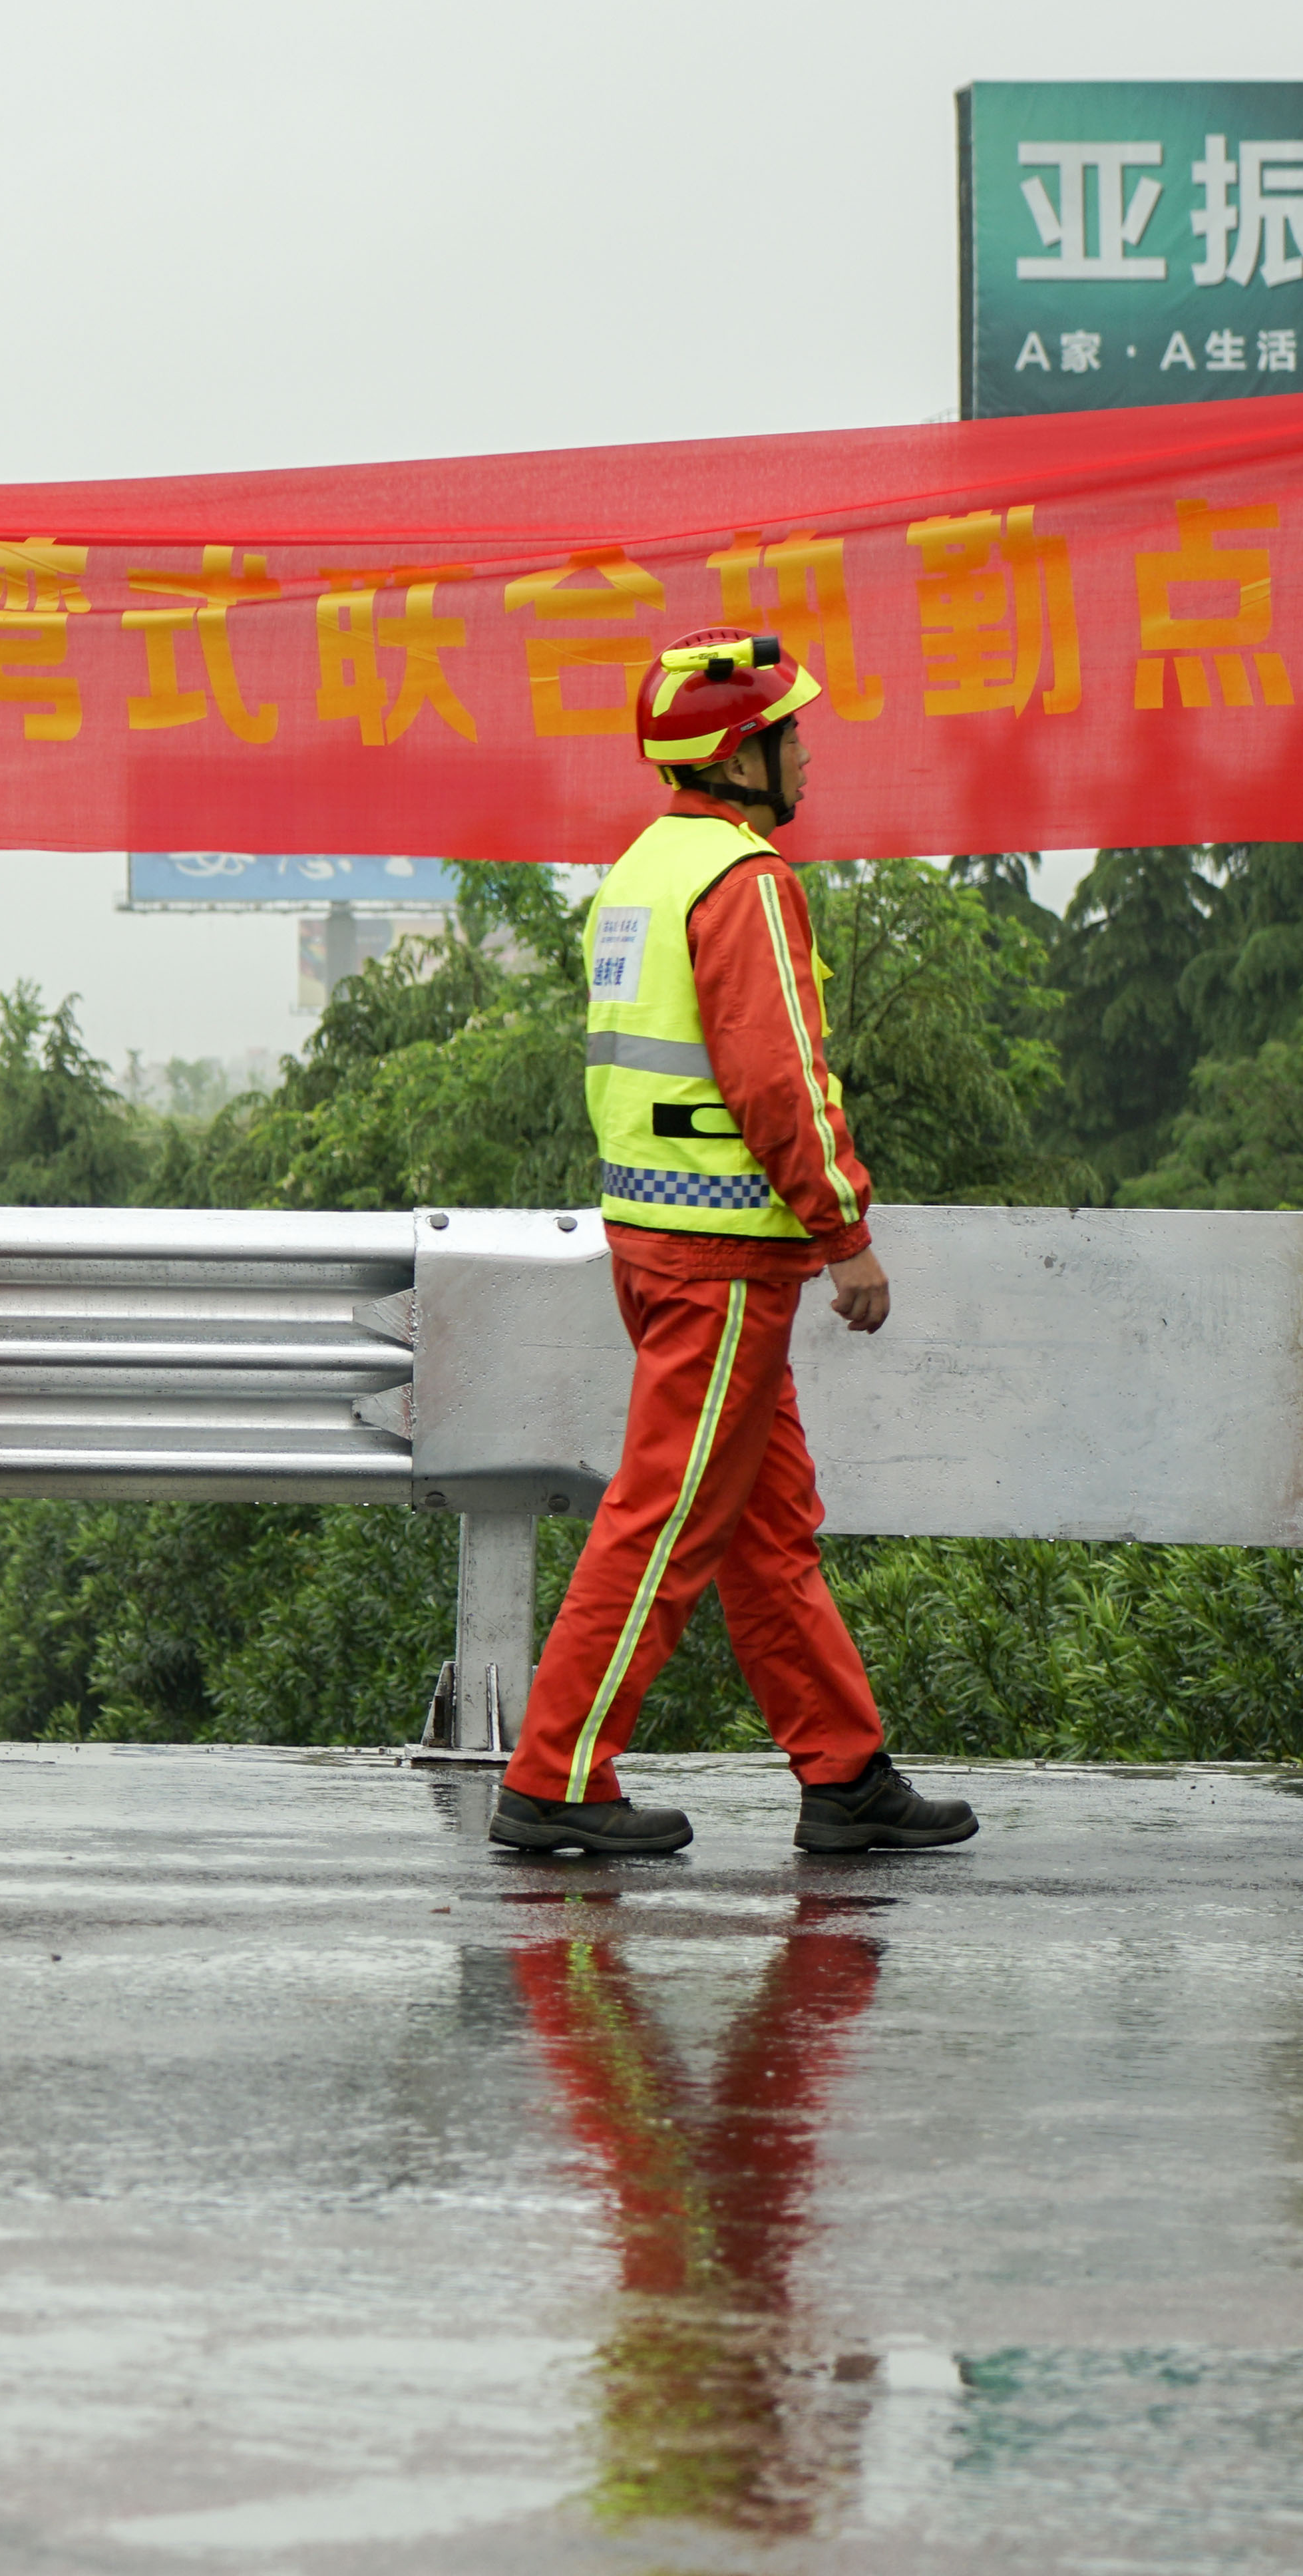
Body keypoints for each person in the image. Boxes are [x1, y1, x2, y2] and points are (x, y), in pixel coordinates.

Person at [494, 629, 974, 1859]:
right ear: (739, 756)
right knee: (663, 1521)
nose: (806, 754)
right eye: (788, 734)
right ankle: (554, 1775)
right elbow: (780, 1079)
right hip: (721, 1256)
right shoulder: (745, 879)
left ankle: (845, 1774)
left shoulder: (641, 870)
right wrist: (844, 1230)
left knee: (767, 1528)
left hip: (657, 1240)